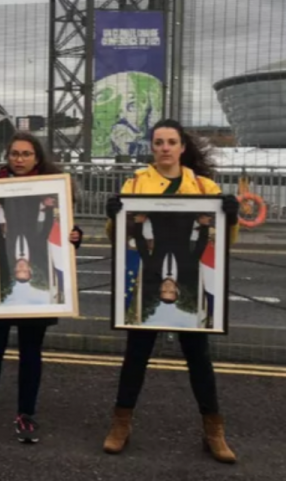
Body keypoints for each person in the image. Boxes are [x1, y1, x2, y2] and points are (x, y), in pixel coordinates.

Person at [102, 118, 240, 464]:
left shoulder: (205, 187)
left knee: (199, 359)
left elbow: (224, 243)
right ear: (152, 147)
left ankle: (214, 430)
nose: (164, 148)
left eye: (171, 142)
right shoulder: (134, 184)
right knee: (136, 355)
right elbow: (117, 237)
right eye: (159, 142)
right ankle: (121, 424)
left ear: (182, 148)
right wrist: (113, 217)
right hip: (149, 278)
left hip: (189, 280)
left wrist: (231, 218)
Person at [0, 132, 83, 444]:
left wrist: (74, 237)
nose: (19, 159)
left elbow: (59, 234)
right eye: (14, 153)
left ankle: (26, 415)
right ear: (7, 156)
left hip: (37, 293)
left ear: (37, 158)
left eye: (26, 154)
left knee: (30, 352)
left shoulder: (52, 190)